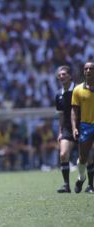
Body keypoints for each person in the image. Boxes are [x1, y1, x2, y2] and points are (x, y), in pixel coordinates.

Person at [72, 62, 94, 193]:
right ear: (83, 71)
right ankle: (81, 177)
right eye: (86, 68)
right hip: (85, 126)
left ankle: (91, 186)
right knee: (83, 158)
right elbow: (74, 111)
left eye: (91, 68)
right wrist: (75, 128)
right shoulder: (78, 90)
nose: (89, 70)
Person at [55, 65, 76, 193]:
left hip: (82, 126)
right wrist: (60, 132)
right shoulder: (58, 95)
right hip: (67, 128)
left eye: (64, 74)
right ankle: (66, 185)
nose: (61, 76)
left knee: (87, 158)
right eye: (60, 75)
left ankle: (89, 184)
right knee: (63, 154)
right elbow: (61, 115)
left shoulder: (79, 90)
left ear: (70, 76)